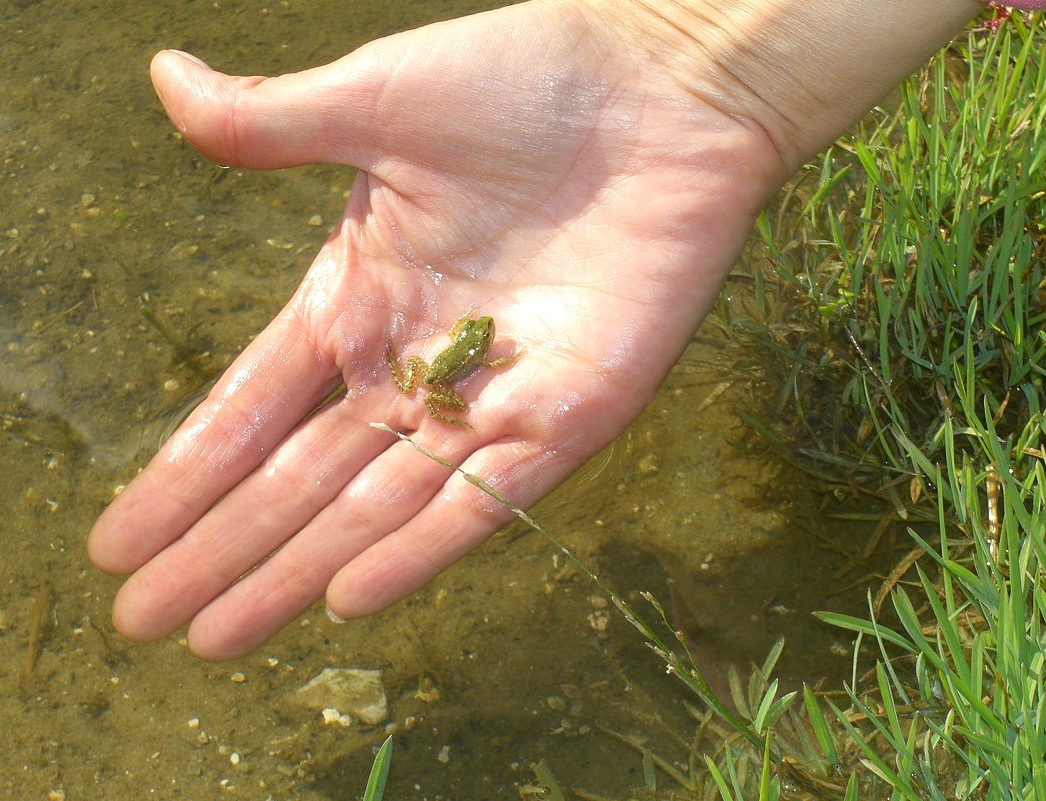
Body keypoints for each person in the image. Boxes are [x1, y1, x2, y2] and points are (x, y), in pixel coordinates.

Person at [86, 0, 1041, 661]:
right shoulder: (467, 350)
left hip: (450, 365)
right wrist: (675, 43)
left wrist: (684, 50)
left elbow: (482, 346)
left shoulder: (475, 347)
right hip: (446, 367)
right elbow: (475, 349)